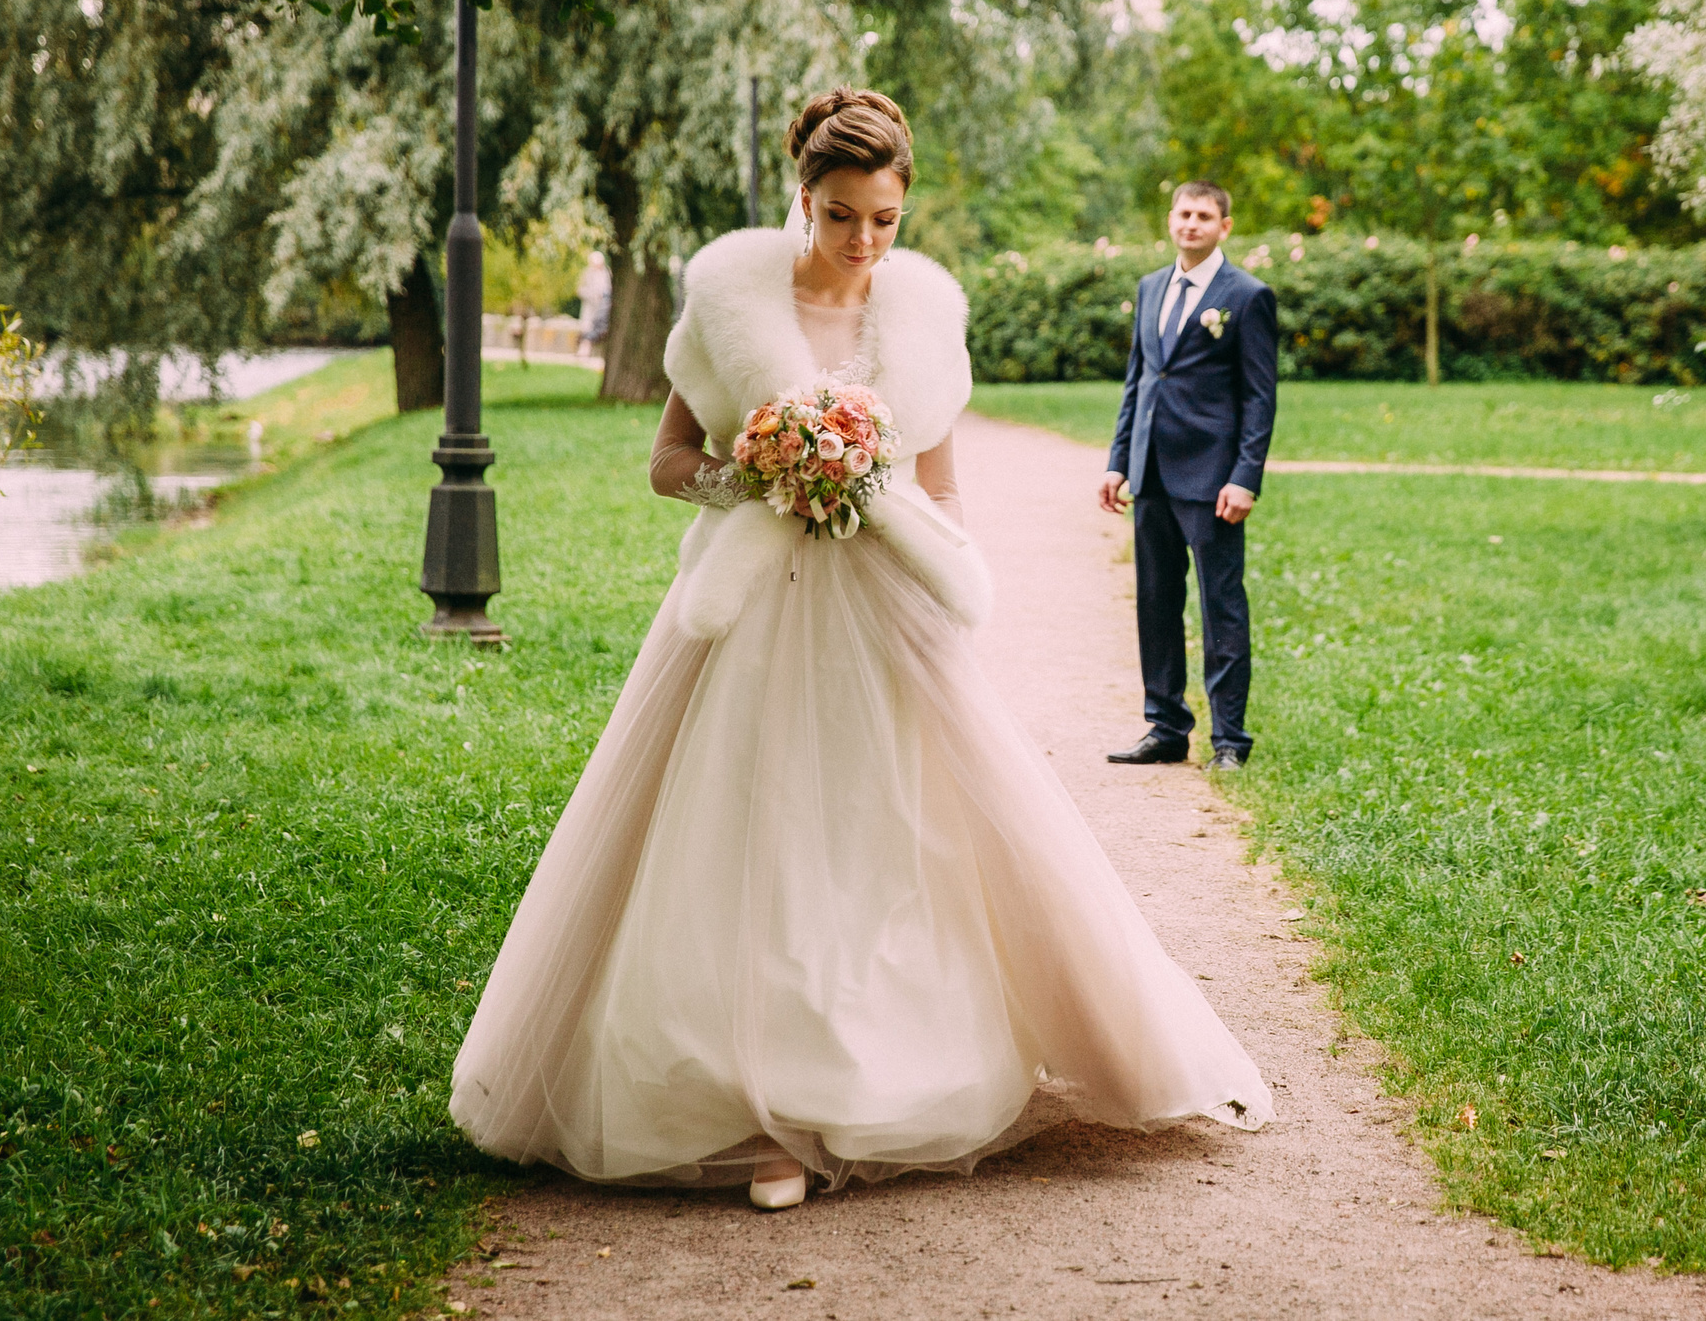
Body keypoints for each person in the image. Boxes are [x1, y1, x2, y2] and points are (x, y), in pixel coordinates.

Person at [450, 90, 1270, 1213]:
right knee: (759, 834)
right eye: (841, 217)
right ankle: (761, 1105)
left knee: (896, 835)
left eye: (882, 219)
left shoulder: (923, 316)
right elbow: (667, 462)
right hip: (751, 611)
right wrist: (773, 469)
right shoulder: (730, 308)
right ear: (804, 199)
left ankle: (881, 1070)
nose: (863, 243)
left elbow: (938, 485)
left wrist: (928, 566)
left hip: (881, 609)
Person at [1099, 183, 1278, 773]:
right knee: (1156, 601)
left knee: (1221, 605)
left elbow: (1259, 397)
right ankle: (1167, 726)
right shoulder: (1151, 288)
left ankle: (1229, 740)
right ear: (1171, 220)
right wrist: (1118, 460)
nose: (1192, 223)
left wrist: (1244, 476)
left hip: (1213, 479)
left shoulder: (1248, 297)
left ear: (1225, 226)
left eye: (1205, 216)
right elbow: (1138, 382)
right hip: (1151, 471)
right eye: (1184, 213)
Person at [574, 251, 612, 358]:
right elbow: (580, 290)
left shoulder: (607, 273)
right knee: (587, 328)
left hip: (603, 308)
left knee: (600, 330)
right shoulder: (587, 273)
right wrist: (592, 295)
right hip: (590, 307)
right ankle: (584, 352)